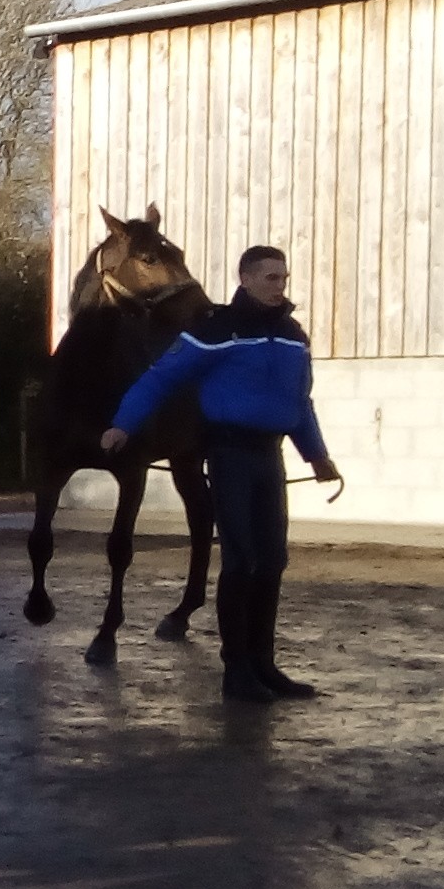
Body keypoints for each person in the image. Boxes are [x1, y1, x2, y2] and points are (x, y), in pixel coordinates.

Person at [101, 245, 343, 703]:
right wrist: (123, 424)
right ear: (246, 278)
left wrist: (316, 455)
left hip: (269, 457)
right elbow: (160, 378)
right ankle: (236, 672)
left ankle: (263, 664)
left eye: (283, 278)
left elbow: (299, 403)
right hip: (230, 454)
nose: (280, 286)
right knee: (241, 560)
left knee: (273, 560)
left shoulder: (293, 335)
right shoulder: (216, 330)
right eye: (271, 278)